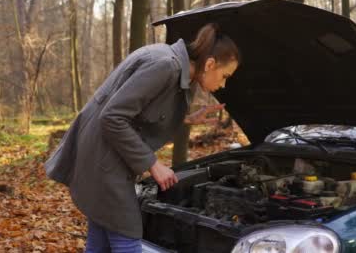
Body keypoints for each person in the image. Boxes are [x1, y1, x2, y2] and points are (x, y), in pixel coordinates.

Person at [45, 23, 241, 252]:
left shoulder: (171, 61)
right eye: (225, 75)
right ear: (210, 64)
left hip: (104, 155)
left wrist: (186, 118)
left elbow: (140, 111)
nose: (224, 83)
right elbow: (112, 116)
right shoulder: (165, 66)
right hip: (104, 161)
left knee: (100, 236)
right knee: (126, 237)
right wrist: (152, 164)